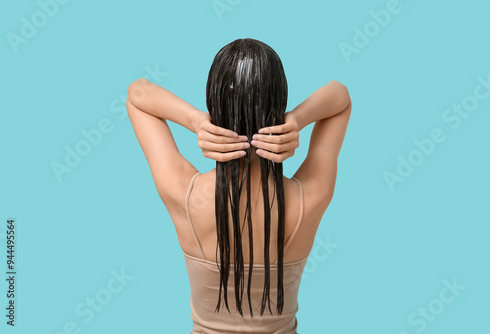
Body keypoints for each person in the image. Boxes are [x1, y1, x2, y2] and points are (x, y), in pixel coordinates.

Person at [126, 38, 352, 333]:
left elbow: (137, 93)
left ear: (213, 103)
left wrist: (196, 121)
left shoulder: (185, 193)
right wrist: (297, 120)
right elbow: (340, 96)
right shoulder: (309, 196)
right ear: (280, 102)